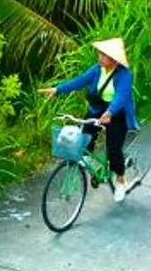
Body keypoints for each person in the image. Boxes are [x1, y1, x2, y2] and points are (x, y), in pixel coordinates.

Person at [45, 37, 138, 201]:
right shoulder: (97, 69)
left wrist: (110, 112)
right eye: (100, 53)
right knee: (85, 136)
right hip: (97, 109)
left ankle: (120, 181)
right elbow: (79, 81)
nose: (99, 57)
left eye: (103, 55)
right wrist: (58, 89)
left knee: (114, 150)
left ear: (113, 59)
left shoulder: (125, 75)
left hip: (117, 114)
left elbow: (121, 96)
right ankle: (89, 160)